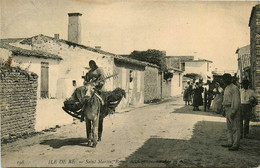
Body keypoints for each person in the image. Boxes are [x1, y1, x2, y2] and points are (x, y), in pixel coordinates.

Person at [221, 73, 241, 151]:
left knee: (235, 127)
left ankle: (235, 145)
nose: (225, 81)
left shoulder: (234, 88)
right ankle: (230, 142)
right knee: (229, 128)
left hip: (232, 108)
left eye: (226, 79)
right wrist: (223, 109)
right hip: (227, 109)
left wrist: (234, 111)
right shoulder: (226, 88)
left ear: (230, 79)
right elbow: (225, 99)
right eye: (224, 79)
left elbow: (236, 101)